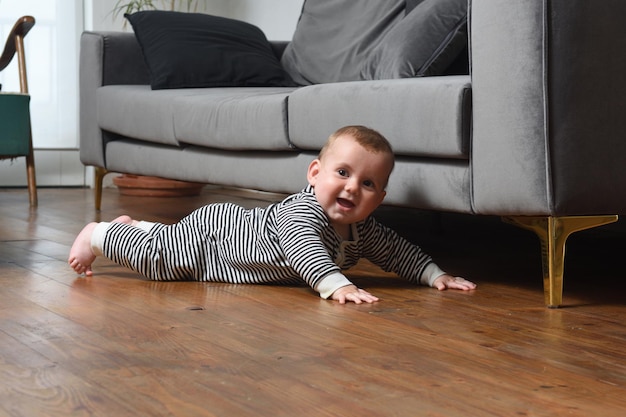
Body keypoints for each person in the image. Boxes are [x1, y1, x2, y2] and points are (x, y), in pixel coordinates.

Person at [69, 125, 476, 304]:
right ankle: (101, 235)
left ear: (379, 197)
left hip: (227, 250)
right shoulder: (303, 213)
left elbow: (395, 251)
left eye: (368, 184)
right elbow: (305, 251)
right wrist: (335, 285)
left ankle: (138, 227)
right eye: (342, 173)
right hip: (215, 242)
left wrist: (434, 274)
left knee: (162, 241)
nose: (353, 187)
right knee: (163, 262)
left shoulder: (361, 228)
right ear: (315, 174)